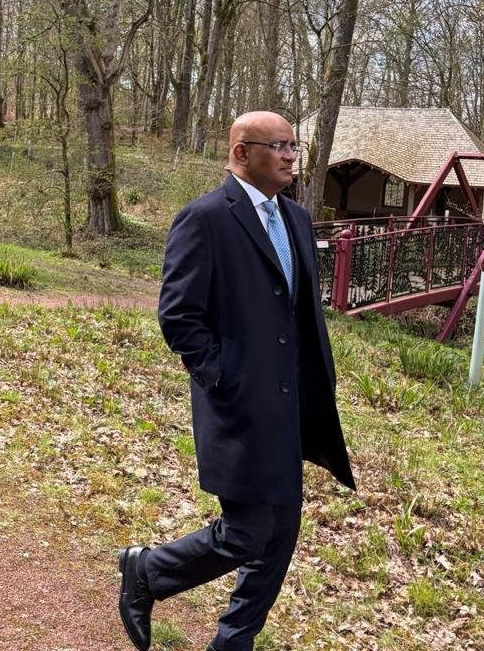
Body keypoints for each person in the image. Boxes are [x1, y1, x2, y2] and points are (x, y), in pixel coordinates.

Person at [117, 110, 356, 651]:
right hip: (238, 404)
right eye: (279, 145)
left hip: (293, 403)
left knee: (282, 531)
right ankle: (148, 571)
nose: (292, 155)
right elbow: (179, 314)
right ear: (242, 152)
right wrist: (221, 377)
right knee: (248, 531)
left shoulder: (295, 219)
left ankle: (233, 642)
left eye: (294, 144)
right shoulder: (204, 218)